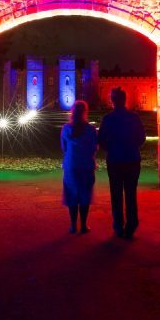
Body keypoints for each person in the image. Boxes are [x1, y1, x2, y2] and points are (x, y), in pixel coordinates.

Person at [97, 87, 145, 239]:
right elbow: (141, 138)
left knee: (116, 194)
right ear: (125, 100)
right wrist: (132, 146)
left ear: (113, 101)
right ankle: (131, 225)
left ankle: (118, 225)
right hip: (131, 159)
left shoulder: (108, 119)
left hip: (115, 160)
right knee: (131, 194)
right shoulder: (134, 117)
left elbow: (101, 140)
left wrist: (111, 148)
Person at [60, 100, 98, 234]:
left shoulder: (66, 129)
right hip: (86, 165)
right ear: (85, 113)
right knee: (84, 196)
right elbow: (94, 147)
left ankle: (72, 225)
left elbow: (64, 148)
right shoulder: (90, 129)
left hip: (71, 165)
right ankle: (83, 225)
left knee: (72, 196)